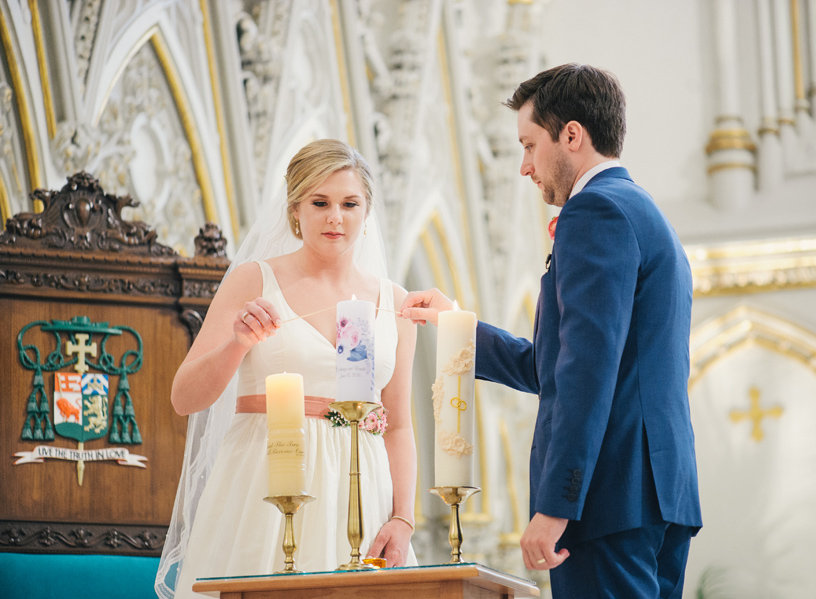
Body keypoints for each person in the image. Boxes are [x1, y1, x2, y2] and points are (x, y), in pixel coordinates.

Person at [401, 64, 702, 598]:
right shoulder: (645, 213)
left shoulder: (596, 212)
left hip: (608, 497)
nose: (524, 166)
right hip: (656, 493)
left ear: (571, 135)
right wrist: (455, 327)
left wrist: (557, 504)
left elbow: (586, 371)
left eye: (528, 144)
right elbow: (557, 363)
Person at [155, 139, 417, 599]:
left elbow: (397, 425)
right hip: (266, 479)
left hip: (362, 487)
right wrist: (237, 344)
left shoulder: (395, 303)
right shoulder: (255, 280)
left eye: (349, 203)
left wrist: (403, 517)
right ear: (295, 209)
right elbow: (183, 398)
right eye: (320, 203)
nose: (335, 217)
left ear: (366, 211)